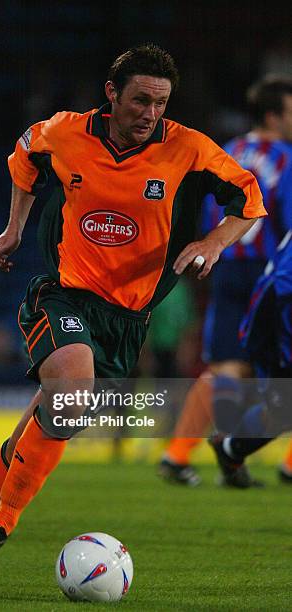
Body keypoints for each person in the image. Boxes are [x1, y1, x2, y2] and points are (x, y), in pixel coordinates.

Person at [0, 44, 266, 587]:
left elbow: (249, 197)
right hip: (64, 294)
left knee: (36, 433)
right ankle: (3, 521)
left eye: (161, 103)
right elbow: (25, 156)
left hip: (128, 320)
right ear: (111, 94)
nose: (150, 113)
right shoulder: (64, 133)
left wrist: (213, 242)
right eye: (141, 100)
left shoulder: (188, 148)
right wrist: (14, 230)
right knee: (73, 395)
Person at [159, 75, 292, 486]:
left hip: (224, 261)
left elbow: (202, 209)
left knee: (227, 366)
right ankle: (275, 462)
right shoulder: (287, 158)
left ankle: (181, 454)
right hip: (273, 272)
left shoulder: (227, 151)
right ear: (273, 114)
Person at [209, 230, 292, 483]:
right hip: (278, 325)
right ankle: (230, 448)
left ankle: (229, 447)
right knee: (282, 413)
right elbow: (278, 286)